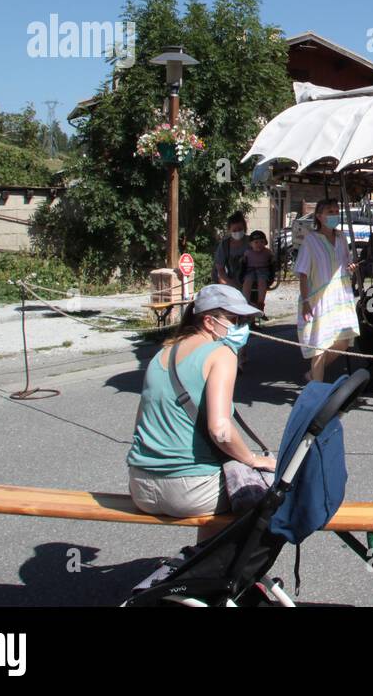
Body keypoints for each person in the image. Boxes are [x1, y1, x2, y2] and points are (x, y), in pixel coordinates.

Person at [126, 285, 273, 526]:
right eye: (234, 319)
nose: (240, 327)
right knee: (269, 490)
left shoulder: (162, 354)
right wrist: (254, 460)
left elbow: (140, 424)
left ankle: (201, 557)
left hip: (140, 487)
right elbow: (220, 430)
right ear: (208, 321)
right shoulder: (221, 354)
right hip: (190, 492)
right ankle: (224, 563)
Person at [296, 199, 360, 383]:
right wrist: (306, 301)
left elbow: (345, 262)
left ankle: (315, 374)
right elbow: (303, 273)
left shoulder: (341, 237)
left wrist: (351, 268)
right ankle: (317, 390)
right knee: (319, 345)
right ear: (319, 216)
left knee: (344, 340)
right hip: (318, 298)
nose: (334, 214)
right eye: (329, 211)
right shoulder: (311, 240)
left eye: (335, 210)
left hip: (340, 296)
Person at [212, 212, 249, 287]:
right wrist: (232, 284)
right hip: (230, 282)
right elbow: (220, 269)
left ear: (244, 228)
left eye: (240, 229)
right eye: (234, 230)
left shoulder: (252, 241)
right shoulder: (224, 245)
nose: (237, 232)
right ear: (229, 230)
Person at [240, 230, 274, 312]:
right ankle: (245, 301)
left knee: (262, 282)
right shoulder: (248, 252)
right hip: (250, 270)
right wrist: (241, 261)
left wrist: (273, 261)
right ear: (251, 244)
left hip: (263, 270)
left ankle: (260, 302)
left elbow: (273, 258)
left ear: (265, 243)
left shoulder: (267, 252)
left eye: (262, 242)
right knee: (247, 282)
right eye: (256, 242)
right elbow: (243, 260)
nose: (259, 245)